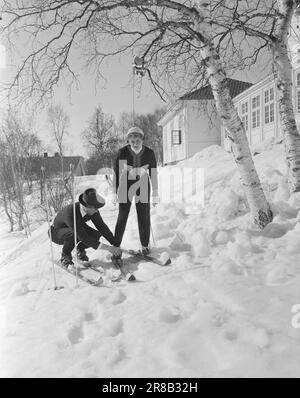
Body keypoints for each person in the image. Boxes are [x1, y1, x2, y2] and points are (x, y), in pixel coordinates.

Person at [112, 126, 159, 256]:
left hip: (143, 184)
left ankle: (144, 245)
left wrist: (155, 192)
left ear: (142, 140)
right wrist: (114, 191)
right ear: (128, 141)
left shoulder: (149, 153)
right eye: (132, 141)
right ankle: (116, 246)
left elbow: (153, 173)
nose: (135, 143)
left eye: (138, 140)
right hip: (125, 184)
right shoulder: (122, 153)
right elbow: (116, 173)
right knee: (122, 216)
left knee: (143, 215)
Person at [50, 188, 121, 267]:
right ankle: (65, 257)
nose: (97, 211)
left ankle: (80, 251)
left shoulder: (92, 211)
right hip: (56, 232)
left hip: (74, 228)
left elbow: (102, 227)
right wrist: (109, 248)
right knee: (74, 234)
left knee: (95, 235)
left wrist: (115, 245)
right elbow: (83, 237)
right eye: (95, 208)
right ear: (87, 206)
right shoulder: (71, 213)